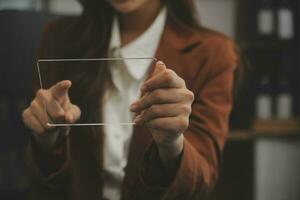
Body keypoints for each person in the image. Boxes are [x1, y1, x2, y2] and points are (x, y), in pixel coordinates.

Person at [22, 0, 238, 199]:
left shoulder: (213, 52)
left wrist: (171, 145)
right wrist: (47, 140)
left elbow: (202, 182)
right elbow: (42, 183)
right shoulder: (59, 39)